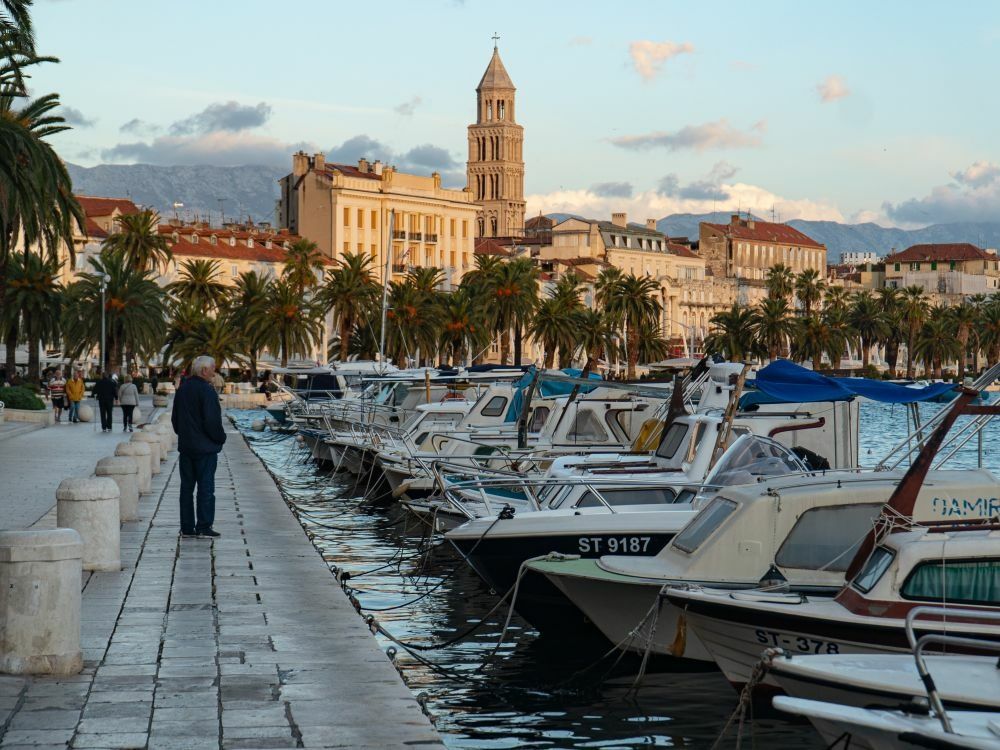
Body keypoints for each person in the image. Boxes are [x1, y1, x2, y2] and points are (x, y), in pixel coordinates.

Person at [171, 355, 226, 539]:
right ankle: (203, 526)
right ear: (204, 371)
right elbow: (212, 421)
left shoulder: (182, 390)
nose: (214, 372)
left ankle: (187, 527)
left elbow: (175, 420)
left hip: (186, 448)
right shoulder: (207, 391)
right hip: (205, 449)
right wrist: (220, 438)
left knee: (186, 488)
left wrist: (185, 436)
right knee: (206, 488)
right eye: (213, 369)